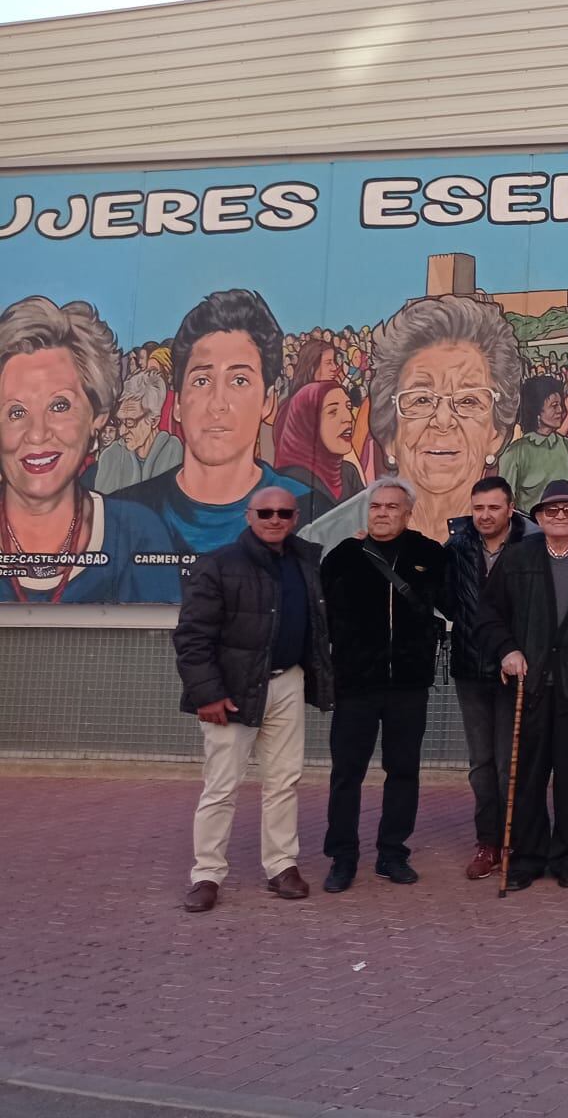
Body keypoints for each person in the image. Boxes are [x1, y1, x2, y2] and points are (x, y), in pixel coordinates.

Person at [172, 485, 332, 912]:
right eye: (266, 513)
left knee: (284, 780)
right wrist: (208, 693)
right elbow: (192, 638)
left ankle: (281, 866)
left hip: (288, 684)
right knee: (221, 786)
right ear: (248, 516)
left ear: (295, 518)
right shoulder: (219, 565)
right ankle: (206, 874)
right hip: (233, 691)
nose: (275, 520)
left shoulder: (306, 561)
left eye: (283, 513)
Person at [474, 481, 568, 890]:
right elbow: (488, 615)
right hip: (531, 685)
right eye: (551, 512)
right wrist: (506, 649)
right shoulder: (517, 559)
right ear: (538, 518)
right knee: (527, 776)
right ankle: (526, 858)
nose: (560, 517)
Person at [300, 295, 524, 548]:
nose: (442, 420)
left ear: (496, 434)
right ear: (390, 434)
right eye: (420, 400)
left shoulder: (529, 544)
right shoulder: (323, 541)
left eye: (468, 401)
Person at [317, 477, 450, 893]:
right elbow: (321, 621)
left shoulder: (429, 554)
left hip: (408, 685)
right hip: (356, 685)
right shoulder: (343, 557)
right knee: (346, 774)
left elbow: (454, 602)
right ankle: (343, 857)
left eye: (392, 507)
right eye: (376, 507)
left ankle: (392, 852)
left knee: (404, 771)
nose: (382, 513)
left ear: (408, 513)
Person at [0, 296, 178, 602]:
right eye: (17, 412)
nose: (37, 434)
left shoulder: (137, 535)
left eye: (59, 406)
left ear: (97, 416)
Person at [118, 289, 310, 556]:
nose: (217, 402)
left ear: (268, 402)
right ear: (176, 404)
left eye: (239, 380)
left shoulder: (309, 512)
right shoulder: (124, 514)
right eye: (201, 381)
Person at [444, 475, 534, 880]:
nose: (484, 515)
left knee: (508, 763)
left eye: (493, 508)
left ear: (510, 508)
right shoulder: (457, 546)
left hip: (514, 668)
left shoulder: (529, 546)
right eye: (478, 508)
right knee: (481, 763)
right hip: (469, 668)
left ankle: (515, 838)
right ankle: (488, 842)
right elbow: (443, 596)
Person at [271, 379, 363, 524]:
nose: (348, 418)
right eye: (333, 411)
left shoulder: (349, 474)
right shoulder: (288, 482)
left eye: (349, 408)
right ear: (307, 423)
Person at [498, 374, 568, 514]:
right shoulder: (514, 453)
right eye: (554, 406)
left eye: (560, 405)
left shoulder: (567, 446)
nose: (560, 410)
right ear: (536, 411)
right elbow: (504, 504)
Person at [93, 367, 182, 496]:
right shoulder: (110, 456)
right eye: (121, 422)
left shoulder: (172, 449)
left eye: (130, 422)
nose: (122, 431)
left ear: (153, 421)